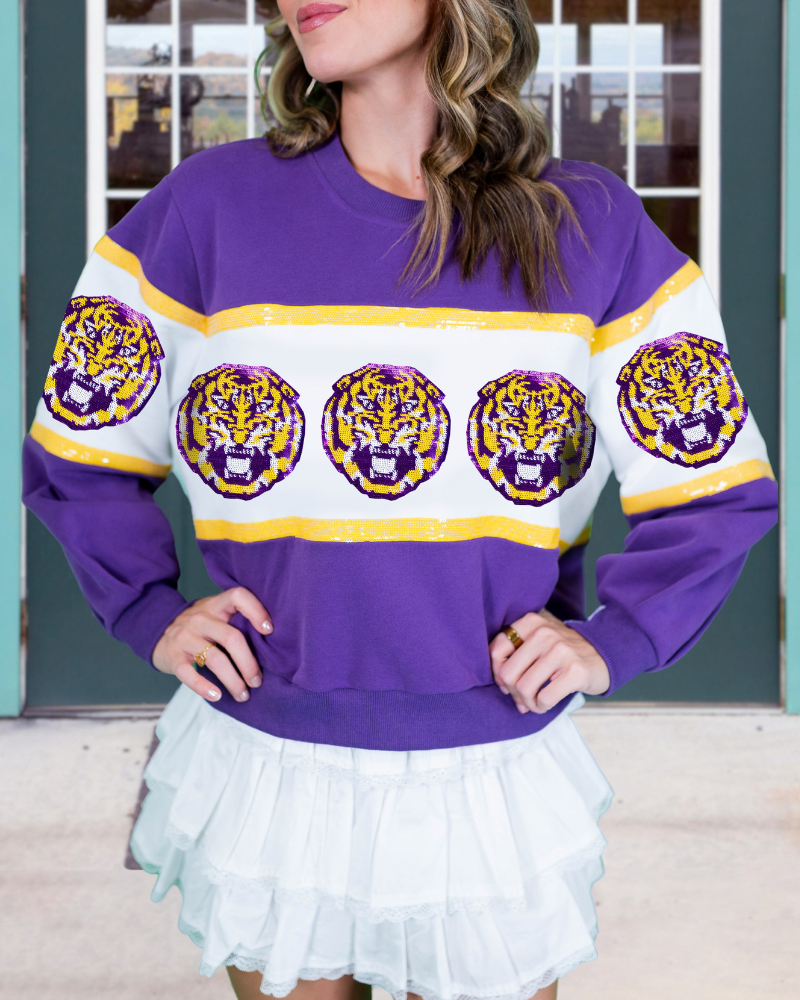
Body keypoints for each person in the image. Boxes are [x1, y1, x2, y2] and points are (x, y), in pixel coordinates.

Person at [23, 1, 778, 998]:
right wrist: (144, 608)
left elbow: (711, 480)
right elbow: (81, 439)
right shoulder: (207, 207)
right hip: (268, 758)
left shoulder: (588, 223)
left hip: (484, 767)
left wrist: (622, 636)